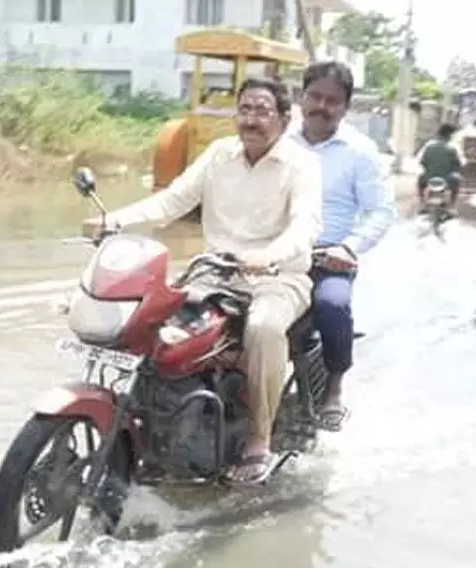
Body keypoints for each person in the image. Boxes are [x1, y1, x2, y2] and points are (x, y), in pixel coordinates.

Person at [96, 78, 322, 485]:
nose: (250, 120)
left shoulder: (302, 165)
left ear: (285, 119)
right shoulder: (219, 155)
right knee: (152, 322)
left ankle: (258, 439)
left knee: (265, 328)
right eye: (245, 109)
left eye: (262, 111)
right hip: (213, 272)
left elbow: (304, 224)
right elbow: (173, 200)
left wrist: (268, 255)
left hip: (277, 276)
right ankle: (148, 421)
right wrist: (113, 220)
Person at [288, 60, 397, 432]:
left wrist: (349, 247)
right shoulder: (279, 142)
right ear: (300, 98)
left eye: (332, 100)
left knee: (332, 306)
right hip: (278, 252)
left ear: (346, 107)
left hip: (328, 256)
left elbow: (381, 211)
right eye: (315, 96)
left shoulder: (360, 151)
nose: (322, 106)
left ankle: (333, 388)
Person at [417, 122, 464, 207]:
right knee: (457, 180)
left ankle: (422, 202)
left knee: (420, 179)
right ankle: (452, 205)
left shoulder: (429, 145)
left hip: (429, 177)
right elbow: (459, 163)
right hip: (448, 178)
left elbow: (422, 161)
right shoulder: (453, 146)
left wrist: (429, 169)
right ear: (450, 135)